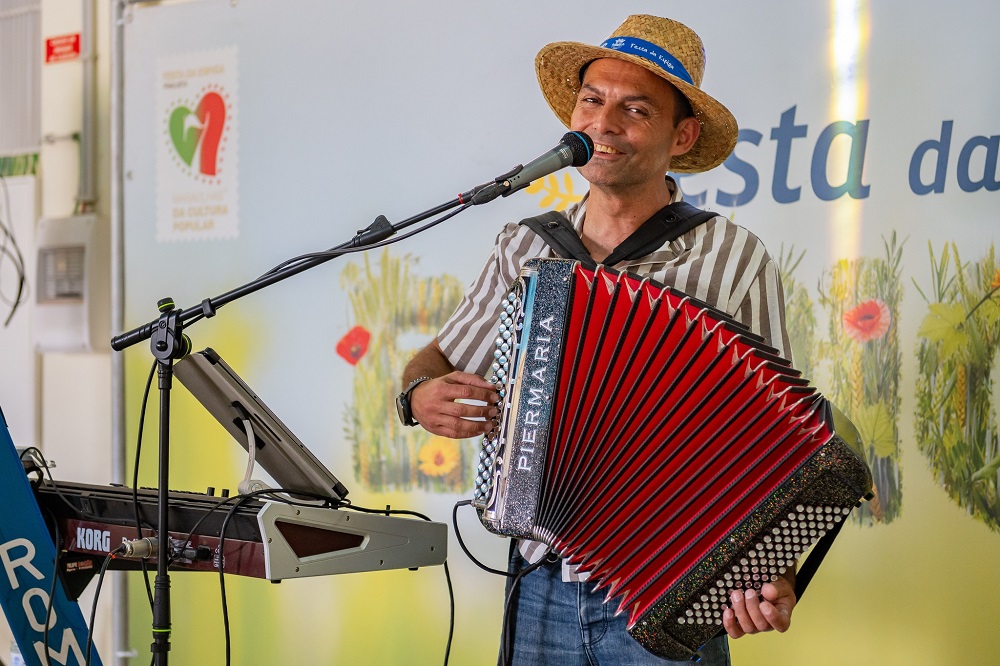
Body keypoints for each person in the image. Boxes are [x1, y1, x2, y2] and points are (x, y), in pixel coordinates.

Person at [397, 14, 796, 665]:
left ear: (682, 134)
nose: (604, 125)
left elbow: (777, 438)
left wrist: (776, 570)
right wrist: (417, 395)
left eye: (634, 109)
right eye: (593, 100)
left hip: (670, 587)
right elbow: (439, 357)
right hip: (537, 581)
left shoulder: (730, 257)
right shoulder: (525, 245)